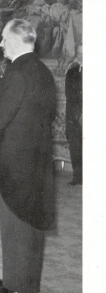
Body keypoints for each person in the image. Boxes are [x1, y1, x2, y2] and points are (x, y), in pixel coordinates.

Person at [0, 19, 56, 293]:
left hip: (15, 158)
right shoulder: (42, 71)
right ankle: (27, 282)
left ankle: (16, 284)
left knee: (14, 221)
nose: (0, 44)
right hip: (37, 158)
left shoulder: (16, 73)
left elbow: (2, 117)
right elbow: (44, 114)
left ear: (14, 41)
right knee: (31, 220)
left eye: (3, 39)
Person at [65, 44, 82, 186]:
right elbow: (69, 96)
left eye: (84, 53)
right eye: (79, 52)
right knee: (75, 147)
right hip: (73, 118)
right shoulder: (72, 72)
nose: (81, 55)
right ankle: (77, 176)